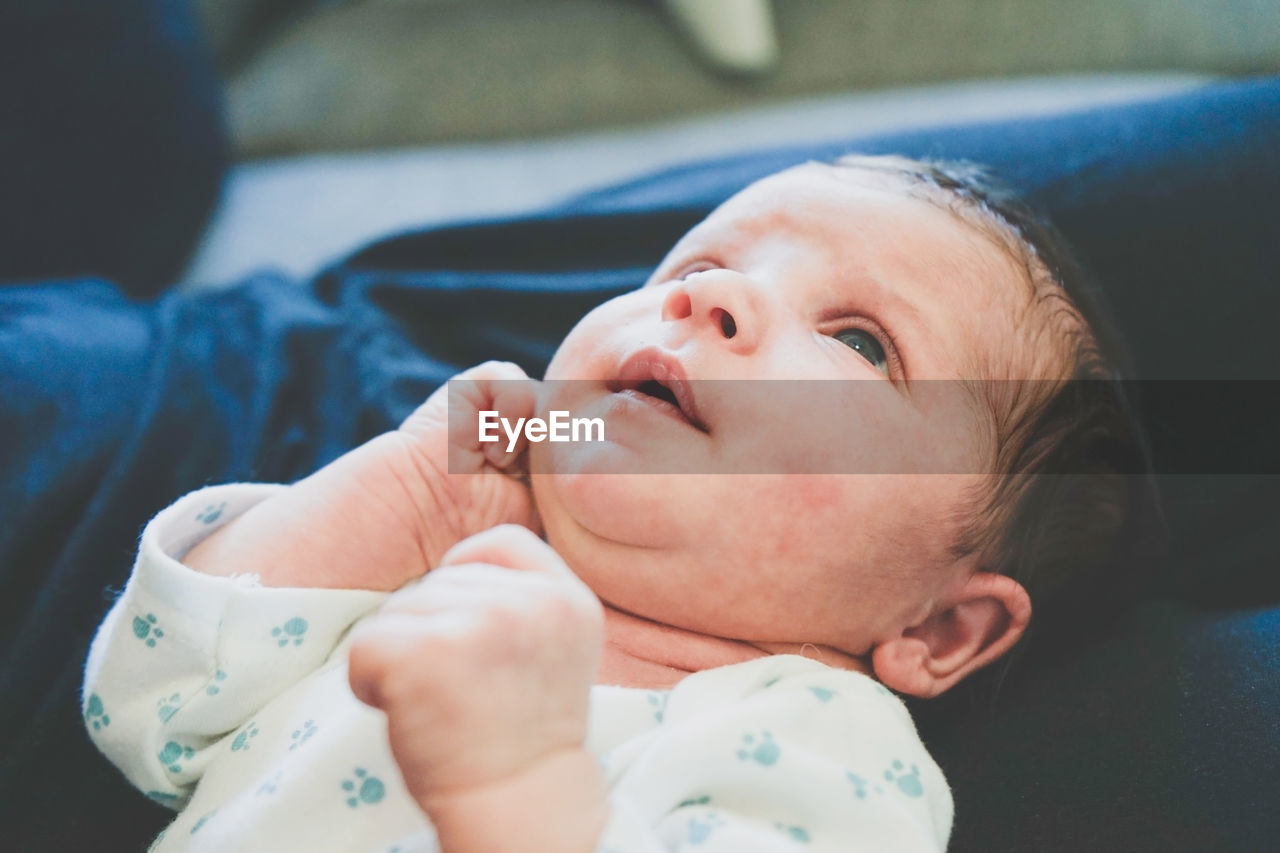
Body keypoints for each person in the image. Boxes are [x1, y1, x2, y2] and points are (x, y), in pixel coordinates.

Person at [81, 155, 1145, 852]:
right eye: (699, 264)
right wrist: (407, 492)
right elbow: (152, 710)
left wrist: (517, 784)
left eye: (858, 340)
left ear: (937, 623)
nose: (708, 298)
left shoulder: (818, 743)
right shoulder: (432, 562)